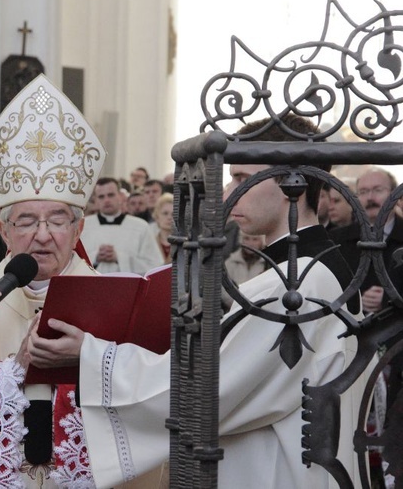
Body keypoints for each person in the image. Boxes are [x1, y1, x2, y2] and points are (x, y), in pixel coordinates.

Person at [27, 114, 372, 488]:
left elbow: (212, 391)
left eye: (242, 178)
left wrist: (94, 356)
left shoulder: (299, 284)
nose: (227, 193)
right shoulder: (309, 268)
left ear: (294, 183)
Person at [0, 75, 166, 488]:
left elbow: (156, 394)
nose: (43, 234)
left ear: (79, 228)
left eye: (58, 220)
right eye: (27, 220)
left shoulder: (120, 302)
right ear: (3, 230)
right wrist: (9, 373)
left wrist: (94, 357)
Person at [330, 168, 403, 314]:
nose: (370, 198)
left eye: (378, 190)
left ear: (395, 195)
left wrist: (390, 298)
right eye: (363, 192)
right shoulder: (337, 240)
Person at [81, 177, 163, 274]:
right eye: (101, 196)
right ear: (95, 200)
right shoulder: (82, 226)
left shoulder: (141, 226)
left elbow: (155, 265)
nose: (106, 200)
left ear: (120, 196)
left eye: (110, 195)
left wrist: (120, 258)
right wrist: (95, 257)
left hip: (128, 286)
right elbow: (71, 262)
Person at [152, 192, 174, 263]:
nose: (169, 217)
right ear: (157, 216)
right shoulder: (150, 242)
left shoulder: (183, 243)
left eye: (173, 214)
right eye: (165, 213)